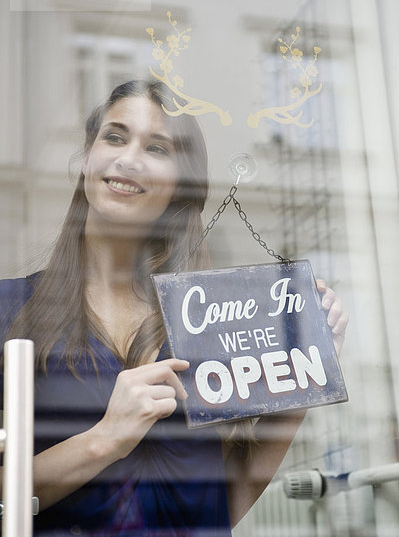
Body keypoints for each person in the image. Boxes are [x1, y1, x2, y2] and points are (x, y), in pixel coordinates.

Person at [0, 80, 348, 536]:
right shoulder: (11, 310)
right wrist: (105, 438)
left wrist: (303, 376)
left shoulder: (208, 322)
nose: (128, 159)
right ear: (87, 155)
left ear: (181, 186)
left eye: (157, 148)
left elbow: (222, 508)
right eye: (115, 137)